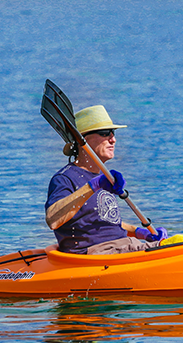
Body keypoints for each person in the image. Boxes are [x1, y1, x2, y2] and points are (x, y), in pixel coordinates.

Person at [45, 105, 167, 254]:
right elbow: (53, 220)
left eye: (113, 133)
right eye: (105, 133)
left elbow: (105, 222)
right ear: (83, 140)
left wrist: (140, 232)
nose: (113, 139)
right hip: (97, 254)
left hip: (126, 246)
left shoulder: (103, 176)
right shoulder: (64, 178)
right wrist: (94, 186)